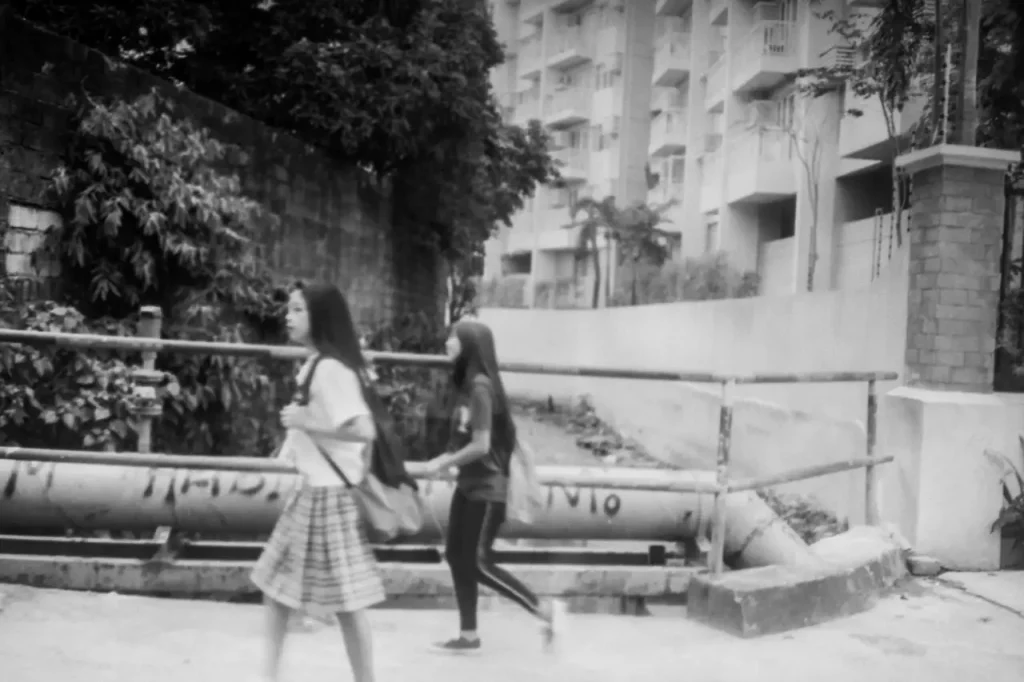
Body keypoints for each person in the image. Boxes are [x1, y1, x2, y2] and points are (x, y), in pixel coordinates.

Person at [250, 282, 384, 682]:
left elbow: (364, 430)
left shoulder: (330, 370)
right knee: (278, 592)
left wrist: (306, 421)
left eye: (297, 310)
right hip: (315, 491)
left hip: (327, 496)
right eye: (288, 309)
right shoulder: (317, 364)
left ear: (319, 318)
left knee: (344, 603)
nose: (287, 317)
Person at [425, 319, 566, 651]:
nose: (447, 343)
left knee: (476, 561)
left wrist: (441, 463)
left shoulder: (480, 388)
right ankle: (469, 634)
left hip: (489, 491)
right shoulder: (465, 386)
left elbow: (482, 444)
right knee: (456, 556)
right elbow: (463, 436)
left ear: (469, 345)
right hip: (469, 485)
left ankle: (543, 609)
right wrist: (450, 460)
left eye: (453, 338)